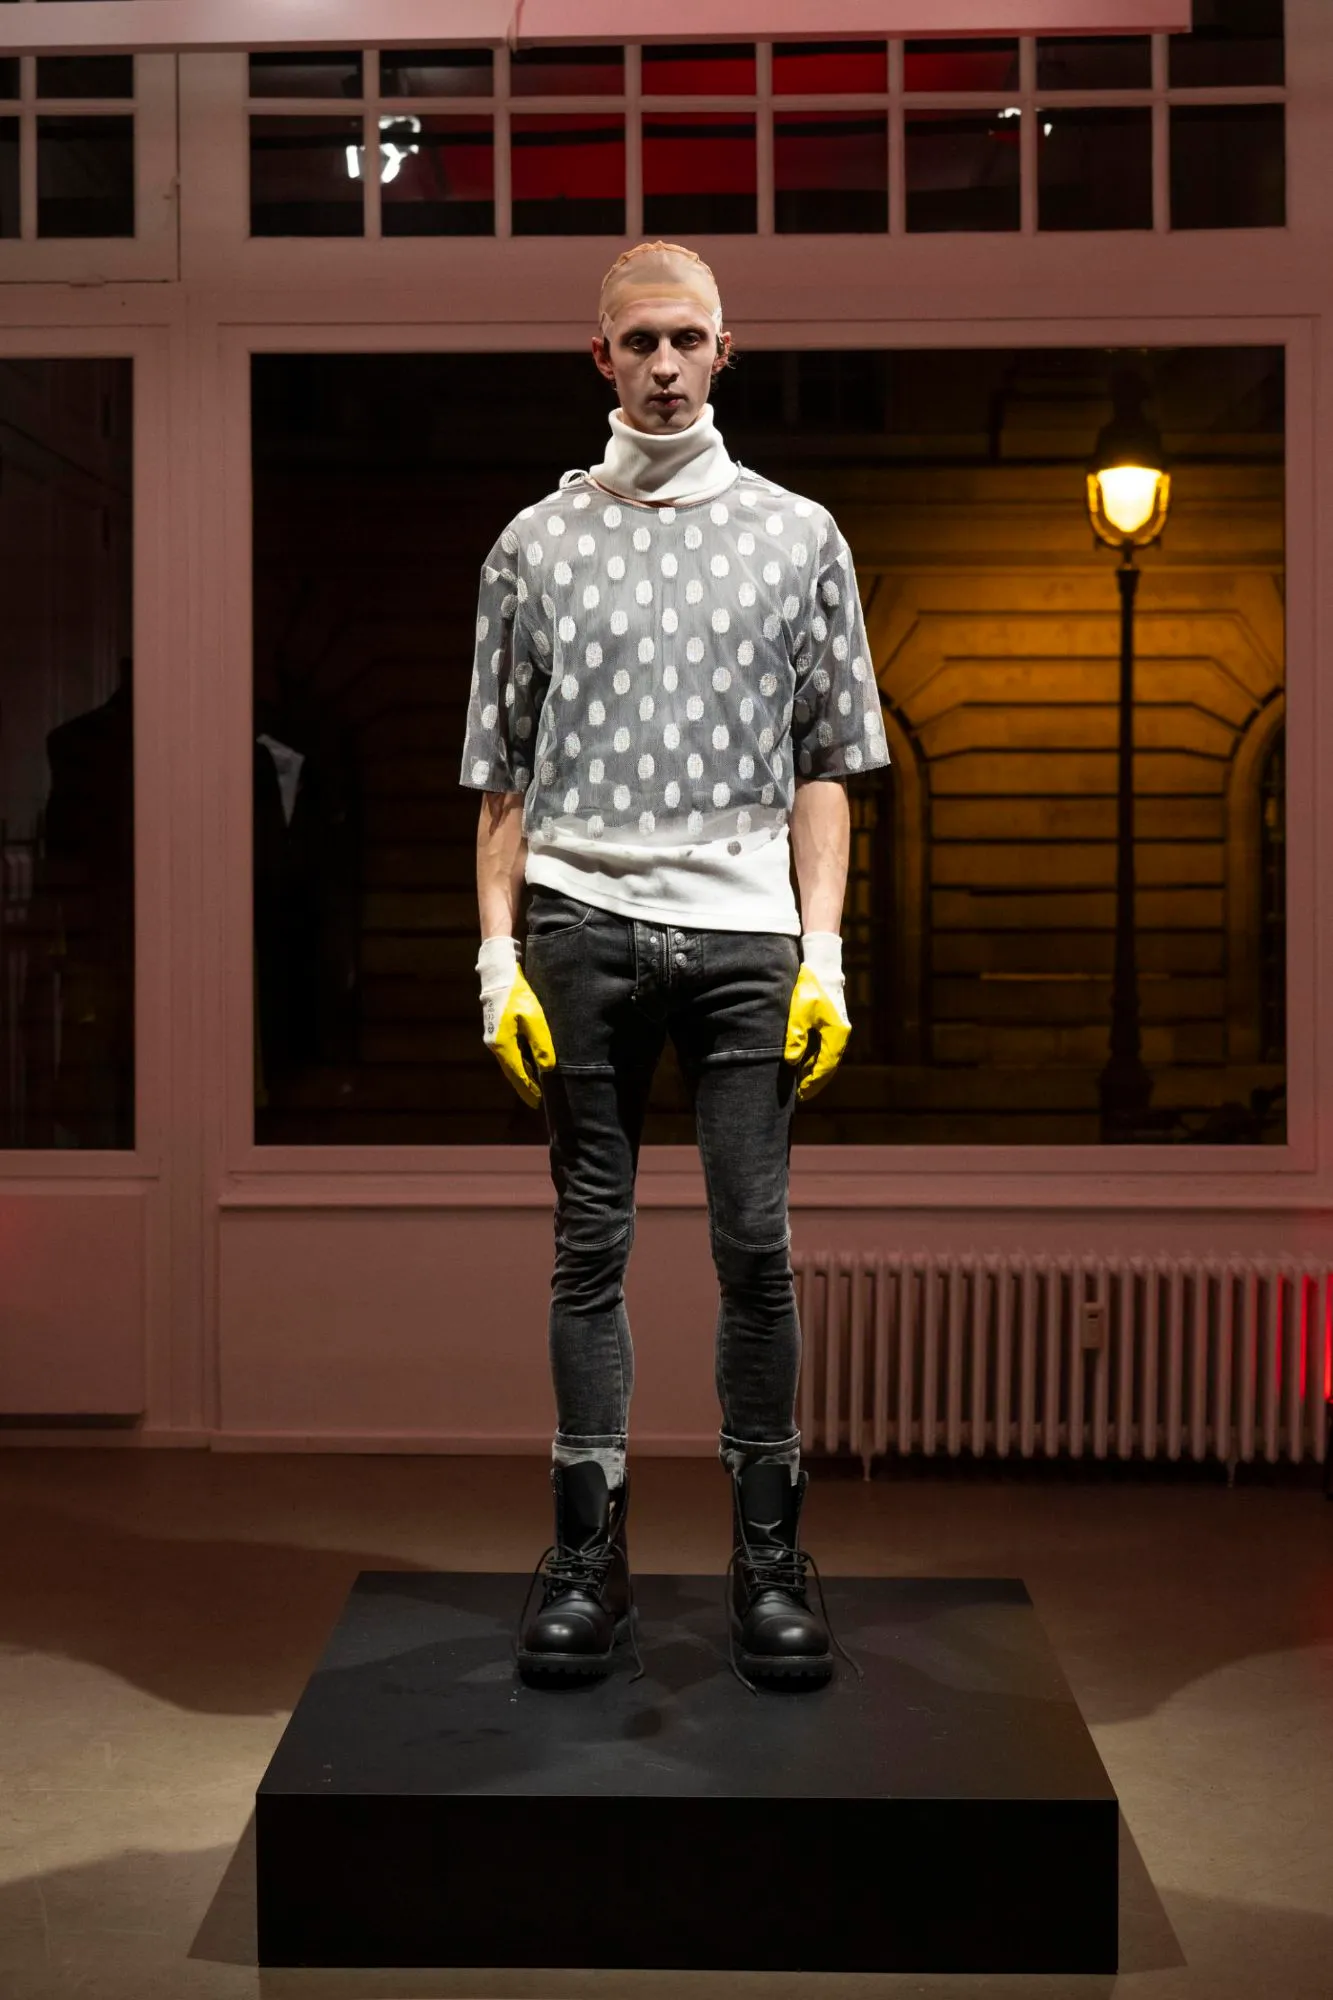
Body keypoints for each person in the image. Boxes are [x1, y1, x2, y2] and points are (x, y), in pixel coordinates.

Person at [459, 241, 889, 1690]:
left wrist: (825, 956)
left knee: (754, 1247)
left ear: (723, 350)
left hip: (747, 932)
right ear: (601, 357)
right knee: (590, 1246)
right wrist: (496, 958)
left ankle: (770, 1556)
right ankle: (588, 1557)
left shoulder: (798, 536)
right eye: (638, 340)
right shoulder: (535, 544)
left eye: (685, 339)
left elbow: (827, 764)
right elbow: (502, 777)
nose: (662, 364)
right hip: (579, 921)